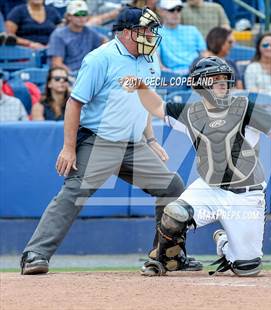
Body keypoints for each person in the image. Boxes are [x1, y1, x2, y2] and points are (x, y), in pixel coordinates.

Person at [122, 56, 271, 277]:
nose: (222, 83)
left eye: (224, 78)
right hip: (209, 189)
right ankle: (164, 258)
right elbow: (157, 107)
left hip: (246, 196)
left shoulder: (245, 107)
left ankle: (223, 241)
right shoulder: (190, 113)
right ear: (200, 84)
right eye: (215, 78)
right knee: (175, 213)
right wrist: (141, 86)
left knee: (246, 268)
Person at [19, 6, 202, 275]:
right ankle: (35, 254)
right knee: (74, 193)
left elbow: (144, 100)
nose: (151, 35)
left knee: (172, 186)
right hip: (99, 141)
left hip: (133, 144)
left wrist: (150, 139)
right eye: (145, 31)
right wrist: (69, 148)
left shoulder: (150, 58)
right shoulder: (100, 58)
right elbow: (74, 103)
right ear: (127, 32)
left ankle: (166, 255)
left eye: (152, 30)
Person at [47, 0, 107, 74]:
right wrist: (72, 75)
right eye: (77, 14)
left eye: (84, 14)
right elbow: (57, 64)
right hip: (68, 75)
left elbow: (105, 43)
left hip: (89, 73)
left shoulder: (90, 32)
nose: (81, 17)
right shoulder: (58, 35)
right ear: (68, 16)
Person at [157, 0, 206, 74]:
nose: (176, 13)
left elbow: (204, 54)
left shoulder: (193, 30)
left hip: (197, 72)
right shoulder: (156, 33)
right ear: (161, 11)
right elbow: (157, 63)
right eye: (171, 10)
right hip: (172, 76)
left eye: (179, 9)